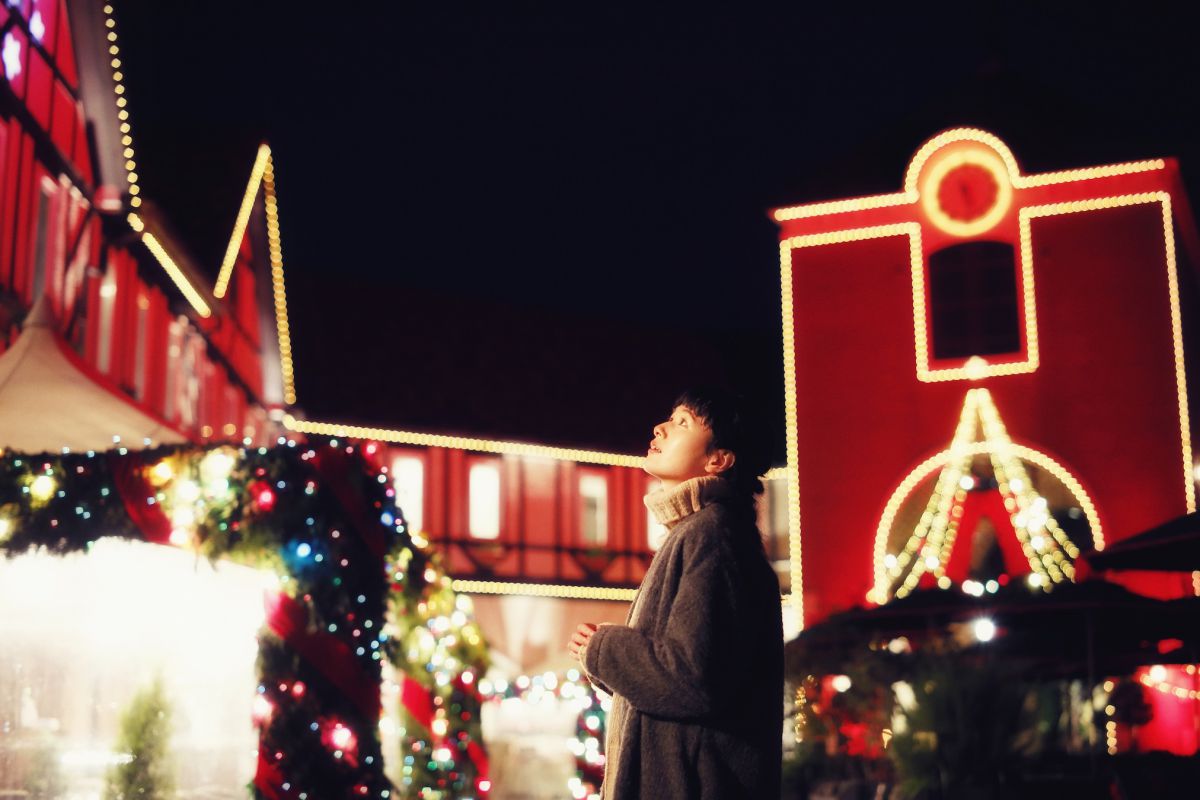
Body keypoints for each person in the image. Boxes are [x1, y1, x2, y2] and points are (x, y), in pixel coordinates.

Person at [567, 387, 783, 799]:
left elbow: (693, 679)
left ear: (717, 460)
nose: (660, 428)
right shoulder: (701, 533)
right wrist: (607, 660)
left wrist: (605, 649)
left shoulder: (712, 535)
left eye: (683, 422)